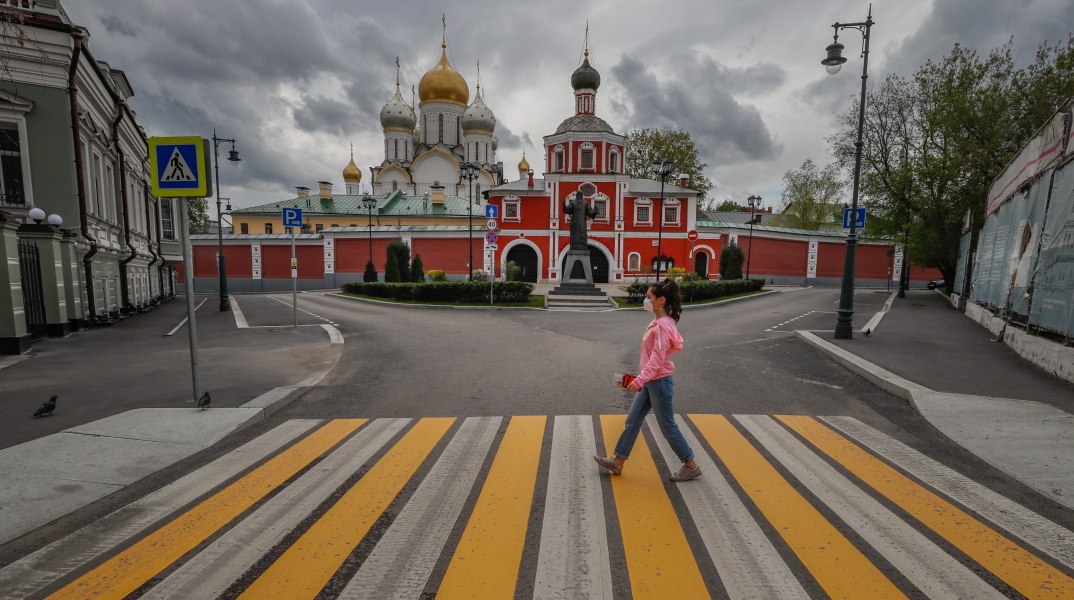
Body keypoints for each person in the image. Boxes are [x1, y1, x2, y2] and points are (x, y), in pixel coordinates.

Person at [595, 278, 701, 482]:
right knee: (632, 421)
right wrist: (642, 379)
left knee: (668, 427)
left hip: (659, 383)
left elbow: (657, 359)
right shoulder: (660, 322)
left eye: (649, 297)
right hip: (652, 382)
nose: (646, 300)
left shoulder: (662, 326)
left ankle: (691, 465)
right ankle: (617, 462)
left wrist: (639, 381)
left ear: (661, 300)